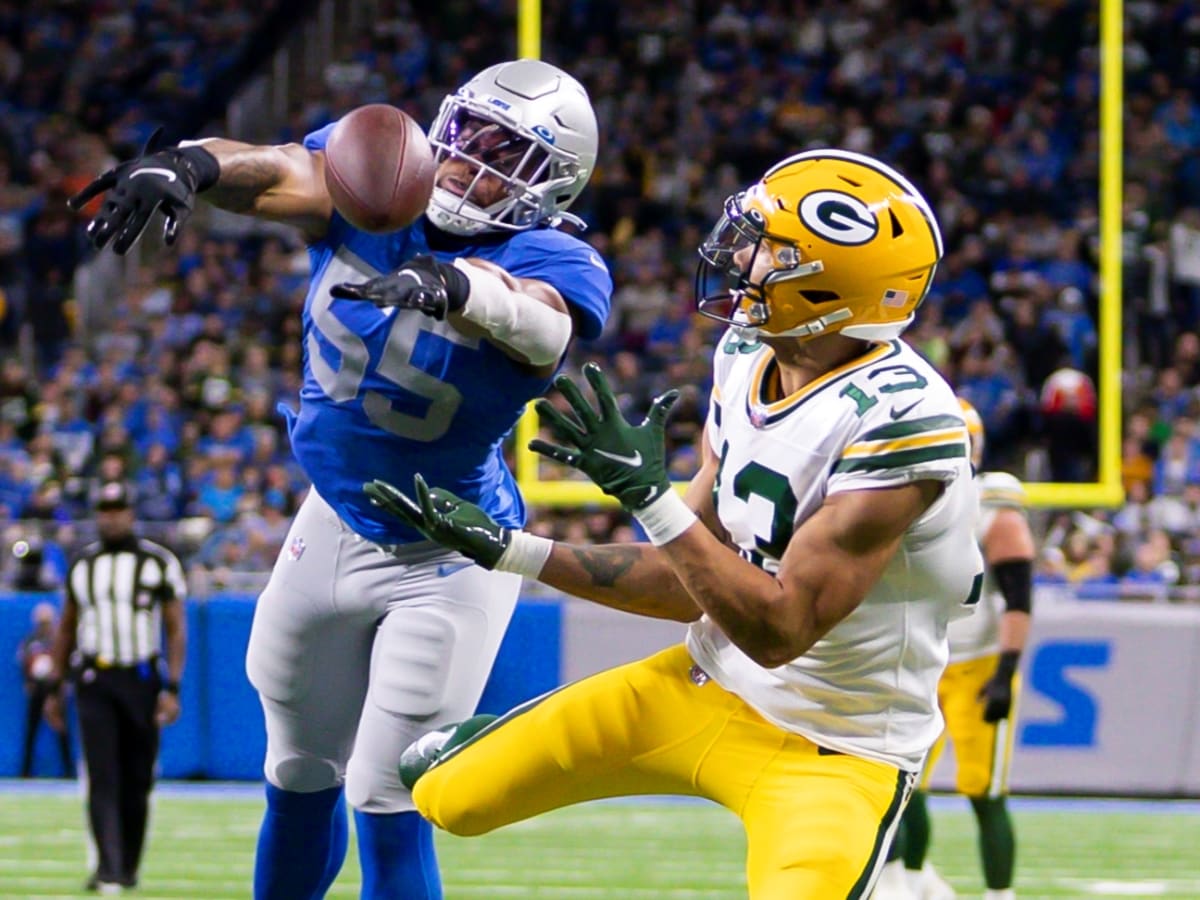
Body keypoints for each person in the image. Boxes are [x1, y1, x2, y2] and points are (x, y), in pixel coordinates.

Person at [366, 149, 985, 898]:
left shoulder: (906, 420)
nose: (742, 257)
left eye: (772, 249)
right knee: (443, 792)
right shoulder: (747, 354)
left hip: (837, 747)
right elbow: (688, 578)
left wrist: (649, 497)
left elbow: (780, 630)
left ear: (829, 288)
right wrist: (508, 549)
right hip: (701, 680)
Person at [68, 59, 611, 900]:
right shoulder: (383, 185)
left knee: (386, 795)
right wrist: (194, 164)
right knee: (295, 772)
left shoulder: (554, 257)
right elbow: (281, 166)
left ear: (552, 182)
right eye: (466, 132)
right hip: (330, 518)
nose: (466, 160)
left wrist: (459, 286)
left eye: (504, 149)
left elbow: (543, 326)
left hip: (450, 549)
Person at [874, 399, 1036, 900]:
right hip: (923, 655)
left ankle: (998, 895)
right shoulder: (904, 496)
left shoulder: (994, 508)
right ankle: (911, 878)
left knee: (983, 789)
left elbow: (1019, 599)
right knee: (904, 779)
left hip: (980, 662)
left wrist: (1008, 667)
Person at [44, 481, 187, 894]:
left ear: (131, 512)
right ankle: (108, 868)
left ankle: (127, 866)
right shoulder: (83, 564)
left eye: (118, 508)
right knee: (101, 774)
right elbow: (66, 627)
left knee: (137, 778)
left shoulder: (158, 562)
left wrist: (172, 686)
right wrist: (55, 686)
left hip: (141, 677)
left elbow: (176, 629)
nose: (111, 516)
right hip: (95, 678)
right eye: (104, 509)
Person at [16, 601, 73, 777]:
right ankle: (26, 770)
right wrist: (28, 681)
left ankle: (68, 770)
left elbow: (66, 663)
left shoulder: (58, 641)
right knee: (31, 730)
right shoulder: (31, 641)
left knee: (60, 728)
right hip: (37, 689)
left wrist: (63, 684)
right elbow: (23, 662)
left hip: (54, 689)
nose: (44, 625)